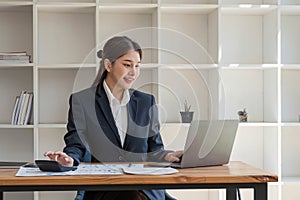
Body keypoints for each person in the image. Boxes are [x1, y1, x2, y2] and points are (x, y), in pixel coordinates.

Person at [44, 36, 183, 200]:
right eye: (127, 65)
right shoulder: (82, 101)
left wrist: (168, 156)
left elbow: (154, 150)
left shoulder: (146, 102)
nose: (133, 72)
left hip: (144, 187)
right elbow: (77, 144)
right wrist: (69, 160)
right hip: (104, 188)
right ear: (108, 65)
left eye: (137, 66)